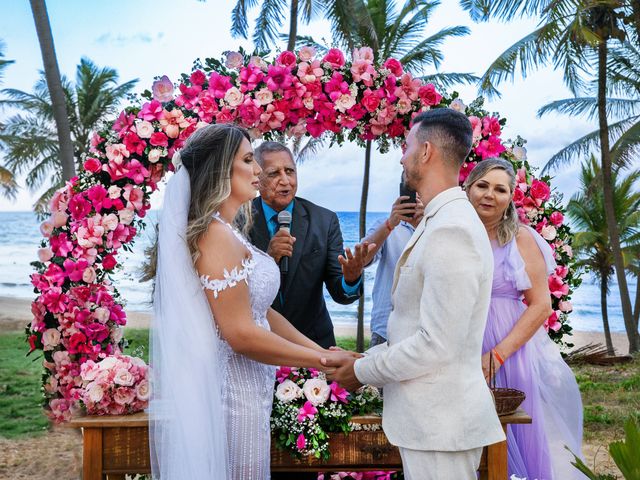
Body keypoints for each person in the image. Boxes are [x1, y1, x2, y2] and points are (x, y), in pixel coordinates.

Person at [149, 124, 352, 479]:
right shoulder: (215, 235)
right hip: (233, 394)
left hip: (251, 390)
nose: (257, 170)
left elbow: (262, 312)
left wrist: (325, 354)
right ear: (220, 170)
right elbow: (240, 332)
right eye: (248, 160)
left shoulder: (227, 231)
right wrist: (320, 359)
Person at [322, 109, 505, 480]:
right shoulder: (441, 220)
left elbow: (436, 344)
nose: (401, 156)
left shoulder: (451, 228)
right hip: (432, 424)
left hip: (442, 426)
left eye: (405, 146)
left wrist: (361, 370)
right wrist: (364, 353)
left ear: (425, 152)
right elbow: (413, 327)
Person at [464, 157, 584, 480]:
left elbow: (541, 306)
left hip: (509, 351)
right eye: (483, 185)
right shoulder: (455, 235)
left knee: (512, 440)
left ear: (510, 198)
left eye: (500, 189)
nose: (490, 194)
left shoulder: (520, 239)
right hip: (461, 345)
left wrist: (498, 355)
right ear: (468, 188)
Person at [249, 141, 370, 348]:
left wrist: (350, 279)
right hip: (259, 342)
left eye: (290, 171)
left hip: (313, 341)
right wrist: (269, 259)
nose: (285, 180)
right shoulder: (240, 219)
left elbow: (341, 294)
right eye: (273, 173)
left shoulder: (324, 220)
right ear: (257, 178)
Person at [361, 194, 424, 347]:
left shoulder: (437, 228)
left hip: (424, 331)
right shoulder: (386, 225)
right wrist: (390, 224)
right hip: (385, 328)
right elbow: (362, 259)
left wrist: (424, 224)